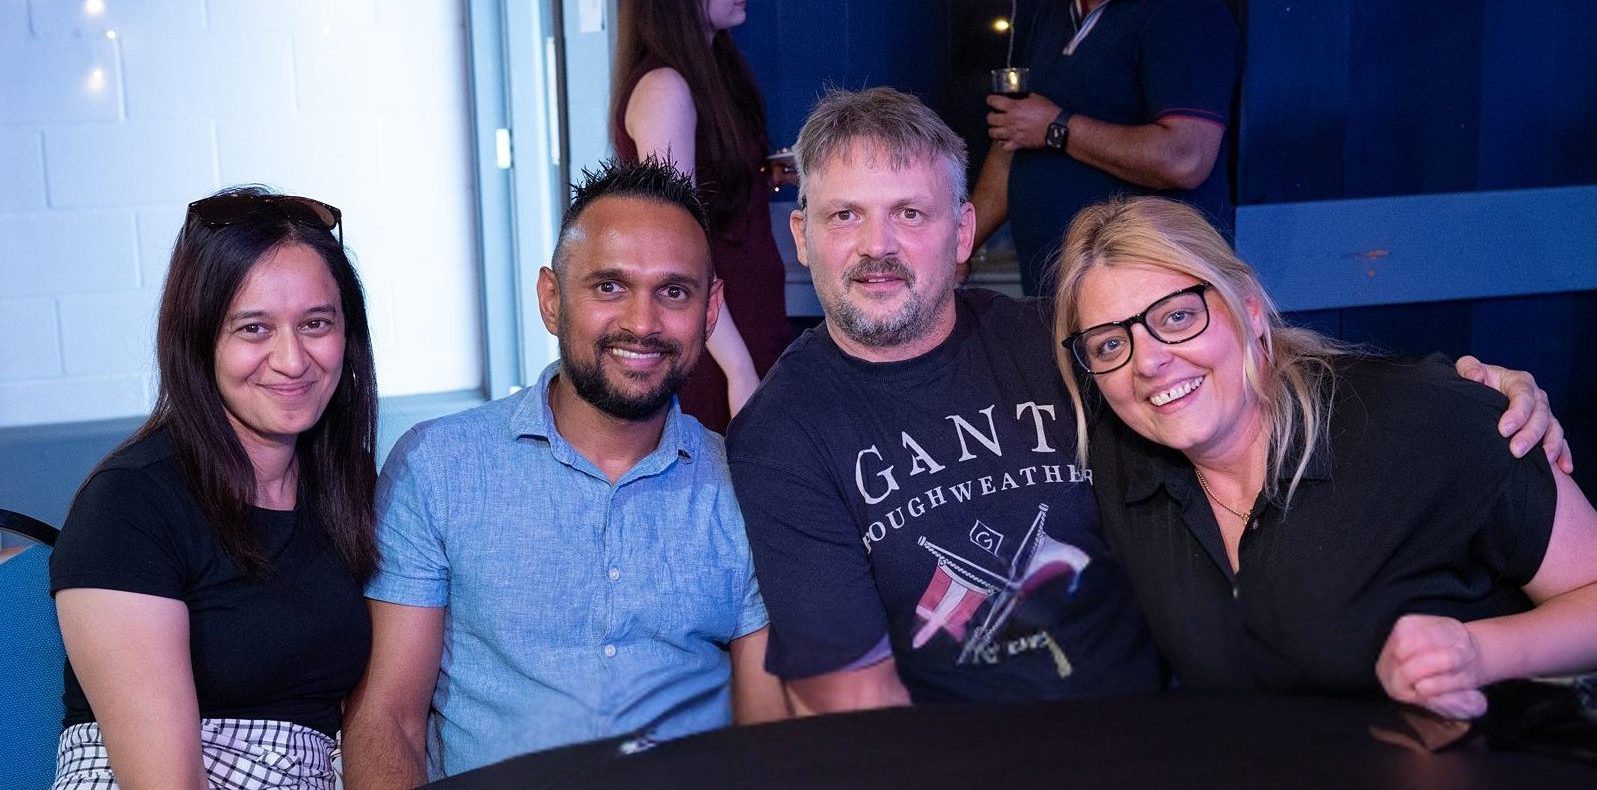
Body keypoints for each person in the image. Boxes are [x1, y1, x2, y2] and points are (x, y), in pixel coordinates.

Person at [726, 87, 1572, 715]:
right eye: (844, 216)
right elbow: (854, 698)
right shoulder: (782, 432)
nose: (876, 247)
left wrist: (1480, 401)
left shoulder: (1065, 344)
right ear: (801, 236)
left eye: (908, 212)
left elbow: (1236, 382)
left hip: (1176, 738)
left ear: (960, 234)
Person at [1053, 196, 1597, 719]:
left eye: (1176, 317)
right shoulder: (1122, 463)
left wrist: (1480, 651)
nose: (1147, 362)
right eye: (1109, 345)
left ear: (1249, 308)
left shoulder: (1424, 419)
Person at [341, 158, 787, 788]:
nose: (642, 322)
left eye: (674, 291)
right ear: (551, 299)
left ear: (711, 310)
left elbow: (767, 738)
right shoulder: (437, 468)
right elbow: (387, 717)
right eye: (609, 287)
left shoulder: (745, 486)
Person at [49, 187, 379, 789]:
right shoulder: (128, 507)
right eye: (254, 329)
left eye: (315, 324)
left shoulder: (346, 483)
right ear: (199, 341)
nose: (291, 359)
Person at [971, 0, 1240, 296]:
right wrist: (960, 245)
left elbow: (1186, 159)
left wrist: (1056, 128)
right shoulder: (1053, 12)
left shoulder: (1185, 11)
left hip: (1146, 289)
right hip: (1052, 289)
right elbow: (1015, 135)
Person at [612, 0, 793, 432]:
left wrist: (757, 175)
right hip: (719, 340)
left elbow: (705, 198)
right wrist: (738, 368)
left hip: (749, 315)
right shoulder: (665, 87)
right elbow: (679, 243)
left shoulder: (714, 74)